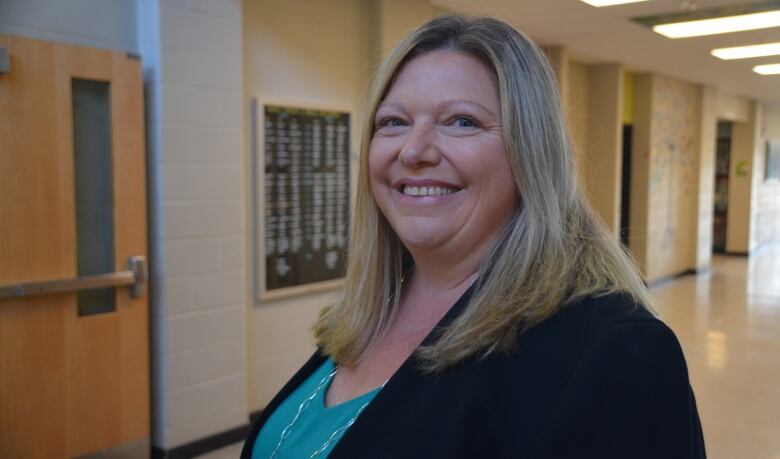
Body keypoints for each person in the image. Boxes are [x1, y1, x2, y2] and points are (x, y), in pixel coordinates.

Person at [242, 14, 706, 459]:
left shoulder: (615, 352)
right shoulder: (366, 315)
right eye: (393, 122)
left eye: (462, 121)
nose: (413, 150)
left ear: (533, 153)